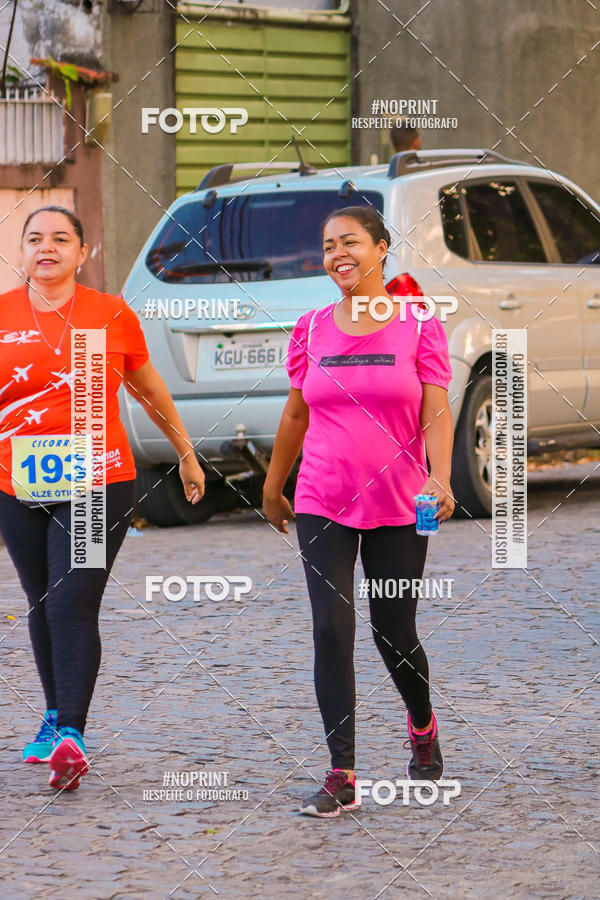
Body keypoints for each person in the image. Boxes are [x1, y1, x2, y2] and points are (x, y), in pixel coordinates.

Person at [0, 206, 205, 791]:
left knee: (71, 601)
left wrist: (185, 451)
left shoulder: (109, 313)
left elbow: (148, 386)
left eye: (61, 238)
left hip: (97, 480)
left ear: (82, 252)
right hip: (15, 481)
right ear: (22, 250)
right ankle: (53, 716)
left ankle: (72, 733)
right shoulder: (2, 313)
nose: (47, 248)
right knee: (41, 601)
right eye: (35, 238)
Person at [263, 205, 454, 818]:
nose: (337, 255)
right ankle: (341, 773)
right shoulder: (312, 327)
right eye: (327, 246)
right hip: (323, 497)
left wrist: (441, 476)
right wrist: (273, 484)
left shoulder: (419, 324)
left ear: (381, 248)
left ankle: (421, 724)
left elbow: (436, 409)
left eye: (349, 242)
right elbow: (296, 412)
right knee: (330, 627)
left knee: (393, 630)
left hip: (403, 500)